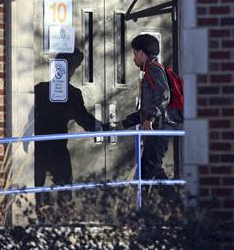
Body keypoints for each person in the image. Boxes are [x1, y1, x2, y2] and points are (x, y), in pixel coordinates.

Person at [34, 49, 101, 215]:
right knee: (64, 187)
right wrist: (104, 128)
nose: (74, 71)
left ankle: (41, 221)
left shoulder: (40, 90)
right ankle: (63, 223)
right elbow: (84, 119)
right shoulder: (72, 94)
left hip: (39, 147)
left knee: (39, 188)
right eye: (75, 67)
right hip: (57, 148)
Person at [115, 34, 173, 181]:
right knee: (146, 172)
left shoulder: (153, 69)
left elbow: (164, 95)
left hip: (159, 129)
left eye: (134, 54)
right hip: (157, 128)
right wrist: (125, 123)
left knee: (150, 169)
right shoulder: (151, 69)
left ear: (141, 53)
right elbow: (146, 108)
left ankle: (174, 201)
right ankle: (148, 202)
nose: (134, 58)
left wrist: (150, 119)